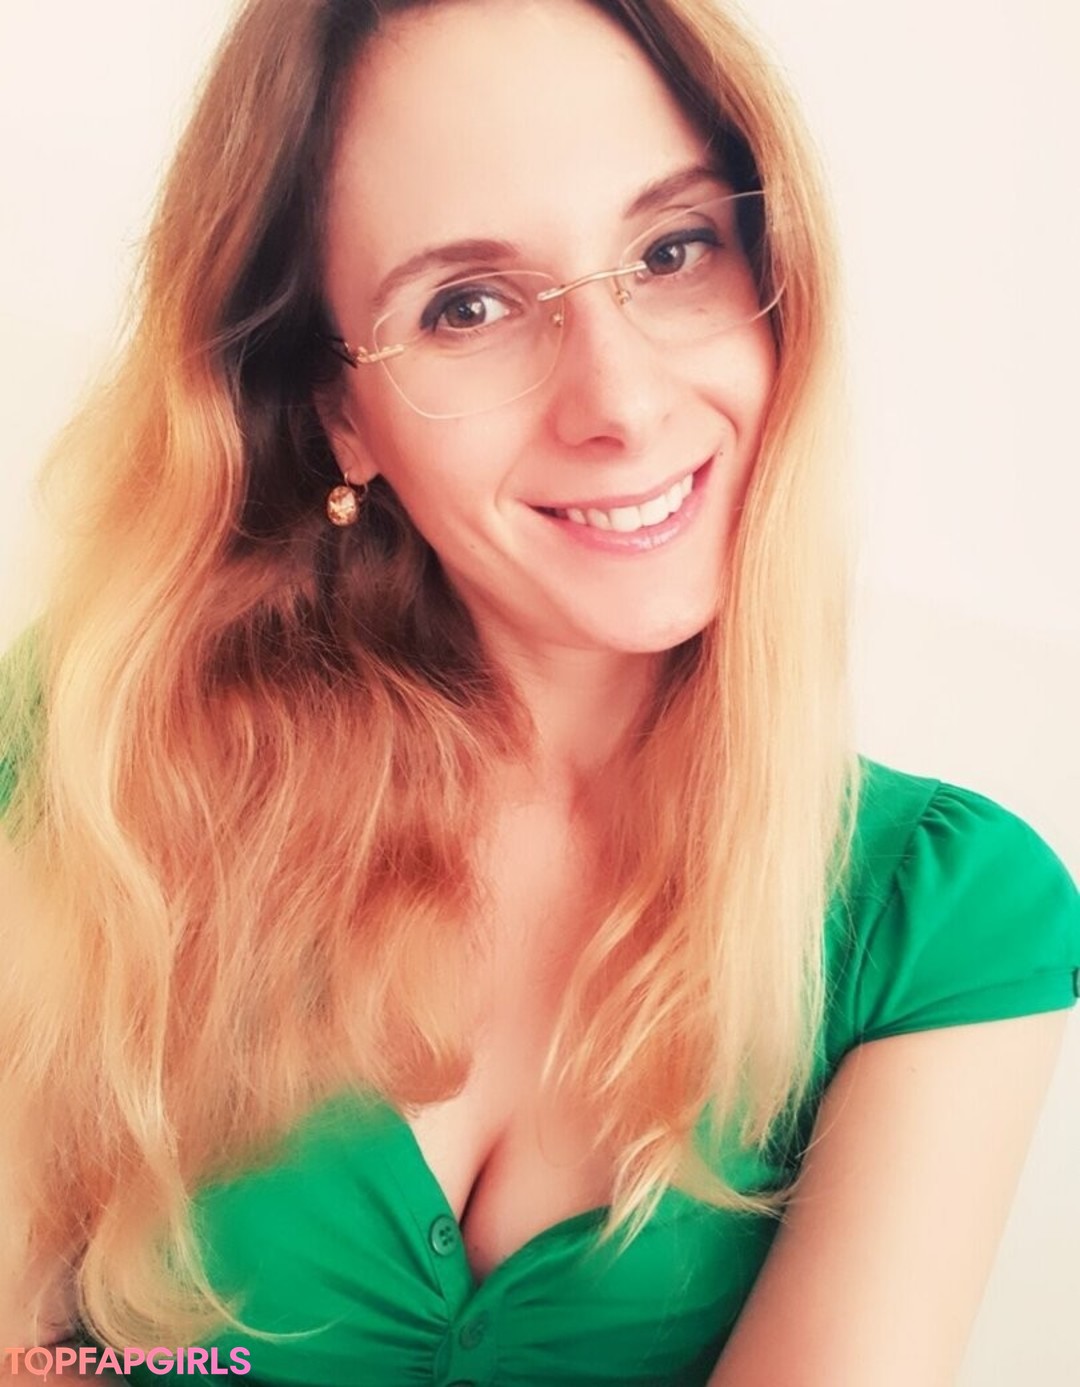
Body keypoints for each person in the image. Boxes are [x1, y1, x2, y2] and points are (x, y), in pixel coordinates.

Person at [1, 0, 1077, 1383]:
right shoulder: (97, 749)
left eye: (673, 249)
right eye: (467, 305)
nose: (619, 401)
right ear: (338, 413)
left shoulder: (946, 918)